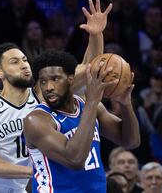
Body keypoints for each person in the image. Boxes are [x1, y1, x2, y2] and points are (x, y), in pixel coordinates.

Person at [0, 0, 112, 193]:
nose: (24, 64)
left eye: (24, 59)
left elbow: (89, 68)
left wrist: (96, 35)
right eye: (14, 62)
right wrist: (32, 170)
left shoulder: (42, 95)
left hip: (22, 189)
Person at [24, 48, 140, 192]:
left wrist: (125, 104)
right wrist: (92, 101)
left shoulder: (90, 107)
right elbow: (75, 159)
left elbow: (130, 141)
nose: (49, 87)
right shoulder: (36, 120)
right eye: (43, 81)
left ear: (71, 79)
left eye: (55, 79)